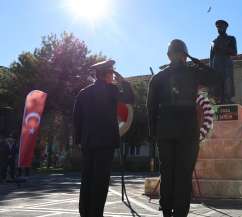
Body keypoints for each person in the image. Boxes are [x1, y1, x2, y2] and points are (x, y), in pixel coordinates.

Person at [147, 39, 217, 217]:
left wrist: (153, 134)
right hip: (187, 131)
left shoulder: (158, 77)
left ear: (169, 55)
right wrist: (196, 61)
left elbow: (151, 109)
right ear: (184, 56)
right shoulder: (193, 73)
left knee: (168, 172)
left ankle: (167, 212)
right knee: (183, 174)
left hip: (165, 131)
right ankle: (180, 213)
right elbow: (215, 77)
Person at [73, 59, 134, 217]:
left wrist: (79, 141)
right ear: (106, 74)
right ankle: (96, 213)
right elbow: (129, 99)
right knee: (100, 181)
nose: (113, 77)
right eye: (112, 73)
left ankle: (85, 212)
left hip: (87, 143)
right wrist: (124, 82)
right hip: (105, 143)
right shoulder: (112, 90)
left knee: (87, 179)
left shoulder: (83, 93)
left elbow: (77, 119)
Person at [209, 19, 237, 104]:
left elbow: (234, 52)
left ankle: (227, 98)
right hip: (216, 65)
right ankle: (218, 98)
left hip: (226, 64)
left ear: (225, 28)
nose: (219, 29)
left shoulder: (231, 39)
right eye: (218, 27)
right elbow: (211, 57)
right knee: (217, 83)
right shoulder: (213, 42)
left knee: (227, 81)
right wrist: (210, 70)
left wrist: (221, 48)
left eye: (221, 27)